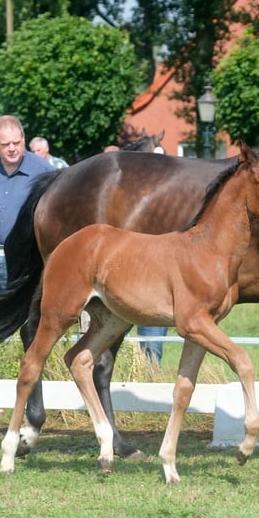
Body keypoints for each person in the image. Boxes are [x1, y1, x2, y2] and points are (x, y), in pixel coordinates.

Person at [0, 116, 54, 292]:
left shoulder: (44, 170)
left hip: (25, 259)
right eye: (5, 144)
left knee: (21, 317)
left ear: (23, 138)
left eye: (16, 142)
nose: (12, 149)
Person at [100, 144, 167, 362]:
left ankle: (150, 375)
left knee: (152, 347)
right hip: (119, 281)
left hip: (150, 280)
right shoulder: (105, 203)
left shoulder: (149, 200)